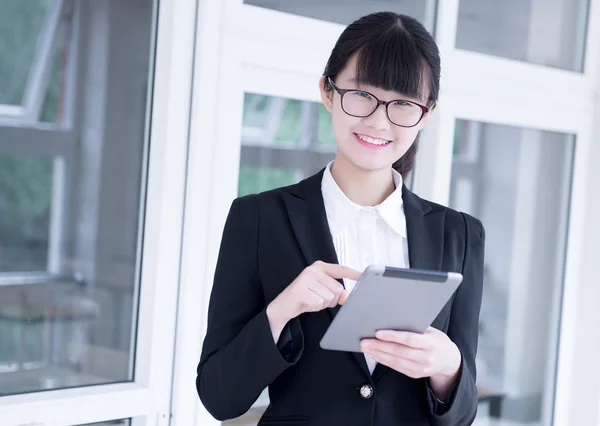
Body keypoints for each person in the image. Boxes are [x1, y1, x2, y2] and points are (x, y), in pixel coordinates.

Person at [196, 11, 485, 426]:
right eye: (362, 94)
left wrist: (449, 366)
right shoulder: (258, 219)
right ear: (328, 92)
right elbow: (219, 397)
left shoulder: (459, 234)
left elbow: (462, 415)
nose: (379, 120)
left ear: (426, 113)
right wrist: (281, 311)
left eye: (403, 103)